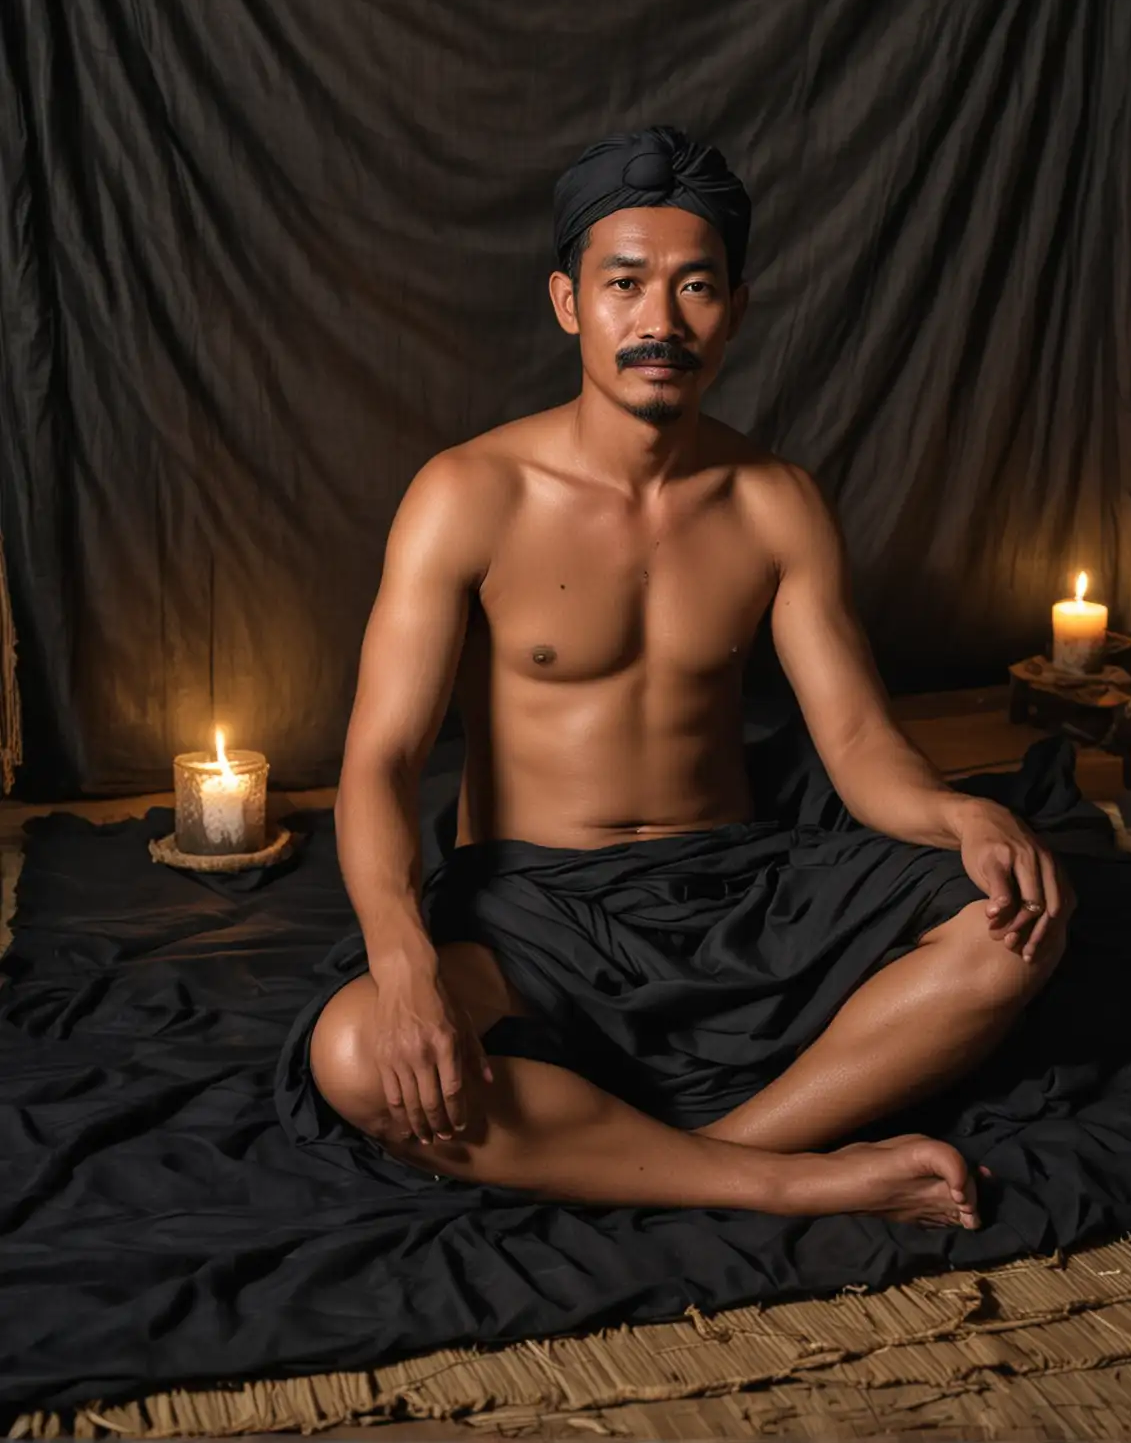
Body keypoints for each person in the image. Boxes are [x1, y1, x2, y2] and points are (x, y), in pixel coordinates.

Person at [304, 126, 1072, 1231]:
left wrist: (959, 812)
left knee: (1024, 921)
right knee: (356, 1053)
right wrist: (404, 955)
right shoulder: (468, 494)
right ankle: (801, 1178)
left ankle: (683, 1164)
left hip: (736, 893)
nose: (659, 322)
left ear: (737, 308)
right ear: (569, 302)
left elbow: (858, 746)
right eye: (625, 285)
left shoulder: (776, 502)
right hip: (533, 911)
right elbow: (379, 760)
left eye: (694, 287)